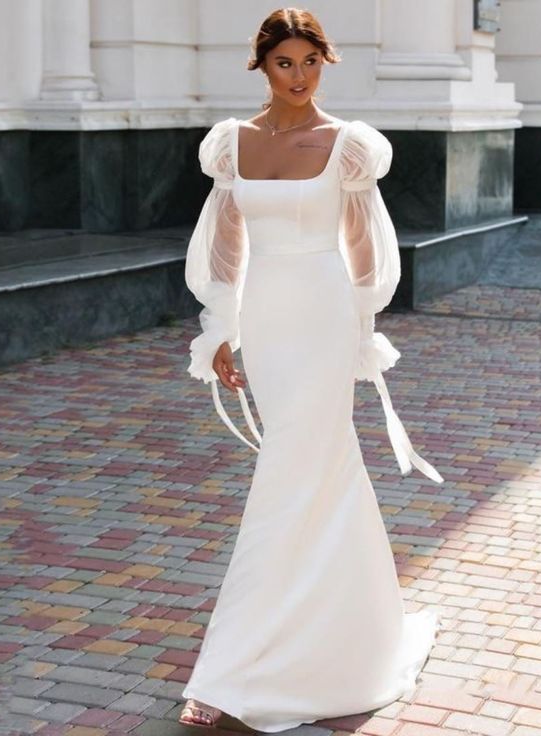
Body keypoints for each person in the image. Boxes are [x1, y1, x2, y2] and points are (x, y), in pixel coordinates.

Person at [179, 7, 444, 732]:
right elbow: (226, 246)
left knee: (298, 465)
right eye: (284, 63)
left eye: (310, 62)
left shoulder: (348, 145)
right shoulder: (231, 144)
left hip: (325, 315)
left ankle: (241, 668)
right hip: (267, 316)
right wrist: (222, 332)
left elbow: (364, 248)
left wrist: (361, 330)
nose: (298, 77)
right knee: (309, 471)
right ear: (262, 67)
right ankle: (325, 634)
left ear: (326, 63)